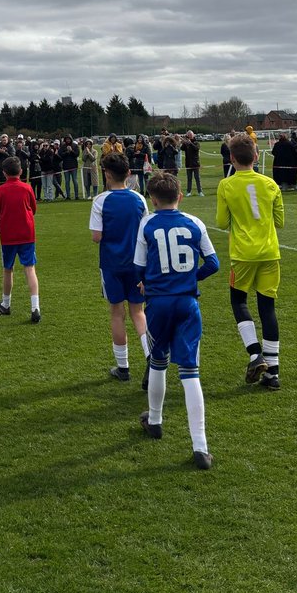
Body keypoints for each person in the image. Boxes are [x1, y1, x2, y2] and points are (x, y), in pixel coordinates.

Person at [135, 170, 219, 470]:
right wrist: (188, 277)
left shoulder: (147, 223)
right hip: (187, 303)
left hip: (158, 304)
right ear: (180, 195)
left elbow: (139, 268)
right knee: (190, 371)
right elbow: (213, 263)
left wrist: (150, 282)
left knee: (158, 361)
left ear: (152, 199)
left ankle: (155, 420)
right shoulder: (195, 222)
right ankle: (200, 446)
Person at [215, 132, 284, 390]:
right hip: (269, 253)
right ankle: (273, 373)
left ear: (231, 158)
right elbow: (280, 222)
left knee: (238, 301)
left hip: (242, 254)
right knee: (268, 308)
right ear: (256, 156)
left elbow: (222, 223)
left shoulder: (226, 185)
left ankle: (255, 354)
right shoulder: (271, 184)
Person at [89, 152, 150, 385]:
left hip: (112, 264)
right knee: (138, 311)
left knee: (117, 312)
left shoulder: (101, 200)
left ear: (106, 174)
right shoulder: (139, 199)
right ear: (128, 174)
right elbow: (145, 229)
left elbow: (97, 237)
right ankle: (150, 358)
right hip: (136, 263)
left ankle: (123, 367)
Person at [0, 156, 41, 323]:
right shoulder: (27, 188)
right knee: (29, 269)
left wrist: (0, 227)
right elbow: (33, 208)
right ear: (21, 171)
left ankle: (6, 303)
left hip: (8, 235)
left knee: (8, 269)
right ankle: (35, 307)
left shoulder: (0, 190)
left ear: (4, 173)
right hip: (27, 233)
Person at [182, 131, 203, 196]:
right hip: (188, 163)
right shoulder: (186, 143)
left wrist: (190, 143)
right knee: (189, 178)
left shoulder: (196, 142)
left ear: (193, 135)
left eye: (191, 135)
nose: (190, 136)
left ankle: (200, 192)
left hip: (195, 163)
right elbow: (181, 148)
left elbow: (196, 148)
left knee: (197, 178)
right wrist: (184, 142)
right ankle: (188, 192)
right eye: (188, 135)